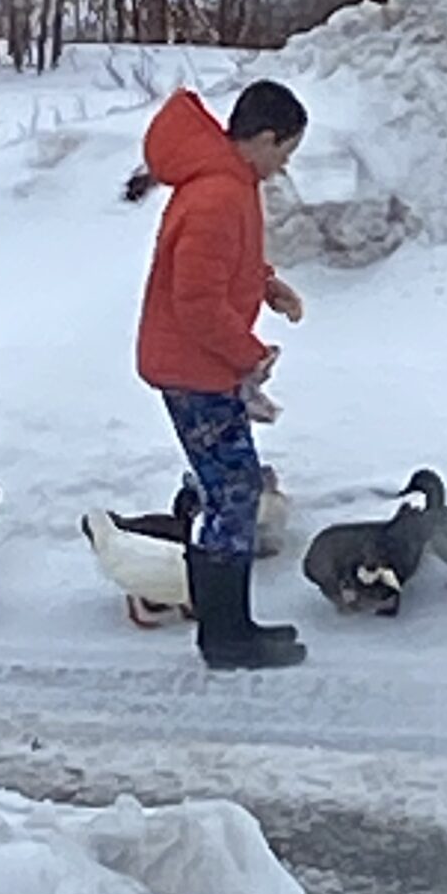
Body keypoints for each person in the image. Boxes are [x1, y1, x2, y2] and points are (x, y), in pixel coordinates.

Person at [126, 78, 309, 669]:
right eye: (284, 151)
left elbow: (224, 264)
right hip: (192, 368)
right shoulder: (216, 196)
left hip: (197, 364)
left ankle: (232, 626)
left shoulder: (230, 184)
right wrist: (248, 354)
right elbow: (197, 301)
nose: (283, 166)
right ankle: (225, 636)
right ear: (260, 138)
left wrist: (264, 285)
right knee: (234, 494)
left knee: (233, 491)